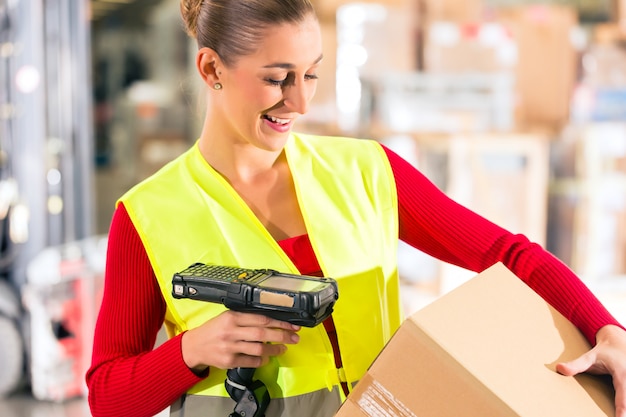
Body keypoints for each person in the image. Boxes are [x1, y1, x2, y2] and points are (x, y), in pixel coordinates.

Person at [85, 1, 626, 416]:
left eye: (311, 74)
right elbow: (107, 395)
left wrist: (607, 330)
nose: (299, 103)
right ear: (211, 69)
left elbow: (507, 254)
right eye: (277, 78)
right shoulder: (147, 214)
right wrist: (193, 350)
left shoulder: (366, 171)